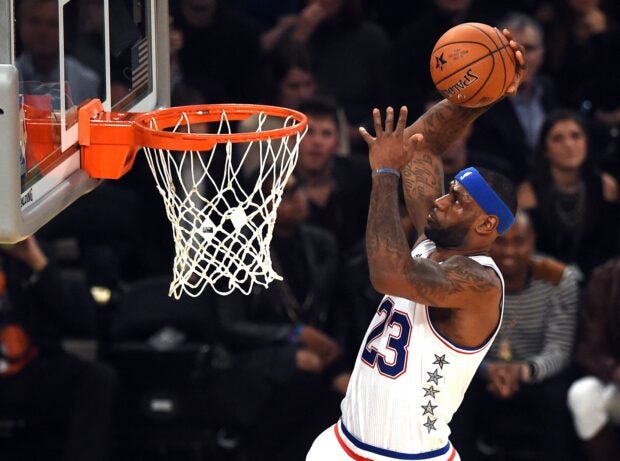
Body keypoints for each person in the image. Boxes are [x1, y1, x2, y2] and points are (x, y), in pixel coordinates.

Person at [306, 31, 524, 461]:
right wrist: (486, 91)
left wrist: (385, 174)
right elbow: (419, 145)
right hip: (341, 443)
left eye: (456, 199)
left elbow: (389, 273)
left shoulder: (479, 283)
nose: (440, 200)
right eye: (448, 191)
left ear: (486, 223)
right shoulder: (434, 237)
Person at [215, 173, 350, 460]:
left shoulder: (320, 243)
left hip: (317, 355)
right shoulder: (236, 251)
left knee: (345, 392)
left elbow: (339, 307)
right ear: (259, 205)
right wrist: (294, 338)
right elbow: (230, 326)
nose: (299, 198)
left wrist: (337, 360)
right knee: (302, 376)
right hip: (254, 358)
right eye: (286, 194)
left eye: (299, 189)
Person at [450, 211, 581, 460]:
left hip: (537, 372)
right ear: (488, 242)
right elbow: (458, 342)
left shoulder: (559, 278)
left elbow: (560, 349)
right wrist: (488, 370)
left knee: (559, 395)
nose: (509, 251)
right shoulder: (468, 279)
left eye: (518, 241)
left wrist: (524, 371)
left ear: (533, 240)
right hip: (480, 372)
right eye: (501, 241)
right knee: (453, 389)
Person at [0, 236, 117, 461]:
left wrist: (38, 264)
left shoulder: (26, 254)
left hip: (28, 369)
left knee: (98, 379)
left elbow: (81, 321)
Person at [518, 109, 620, 280]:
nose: (569, 145)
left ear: (586, 142)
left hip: (600, 280)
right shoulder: (528, 195)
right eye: (558, 139)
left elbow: (611, 245)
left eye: (576, 136)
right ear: (545, 149)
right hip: (547, 280)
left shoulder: (606, 186)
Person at [468, 12, 558, 185]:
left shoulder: (551, 90)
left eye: (529, 49)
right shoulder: (482, 101)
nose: (521, 57)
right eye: (513, 49)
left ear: (542, 54)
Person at [295, 97, 371, 258]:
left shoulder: (361, 174)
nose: (317, 141)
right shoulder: (277, 185)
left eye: (326, 134)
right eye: (309, 132)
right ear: (293, 138)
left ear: (337, 142)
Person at [567, 257, 620, 461]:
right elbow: (588, 348)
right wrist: (613, 370)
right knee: (583, 394)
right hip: (614, 385)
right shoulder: (606, 277)